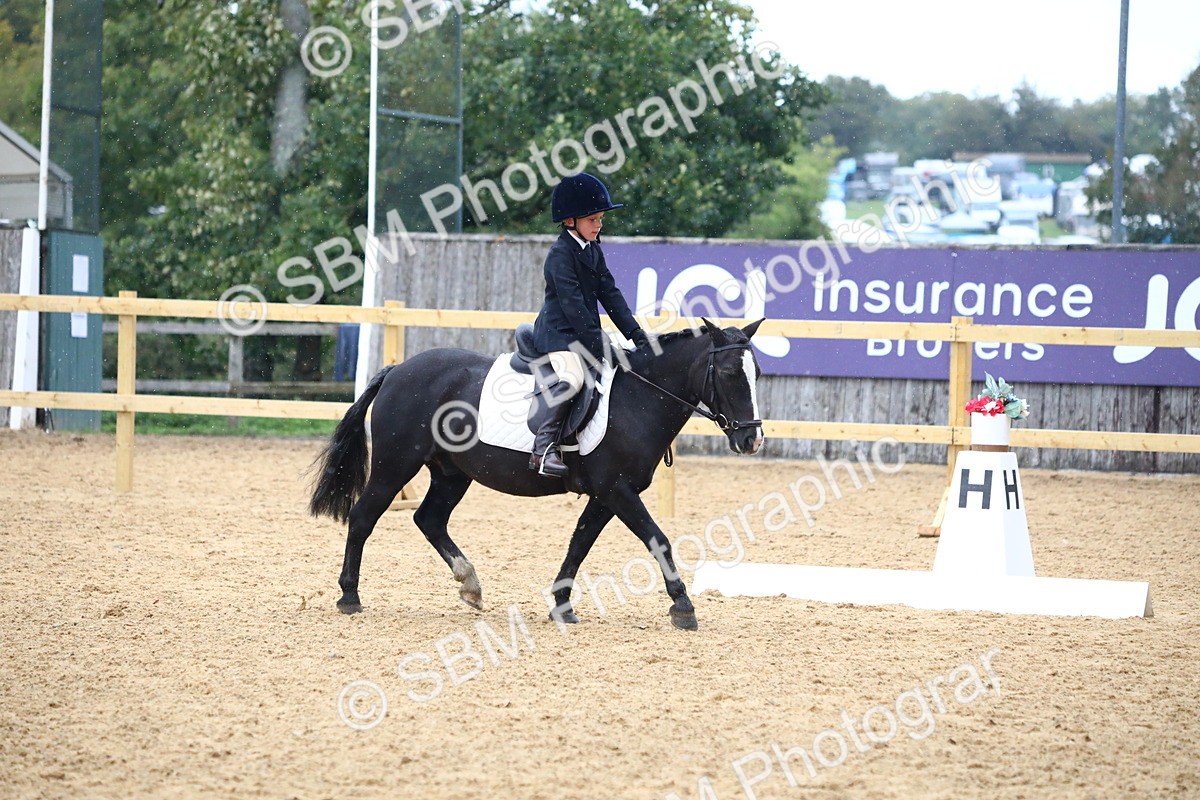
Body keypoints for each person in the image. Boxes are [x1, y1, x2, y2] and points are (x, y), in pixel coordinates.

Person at [529, 172, 651, 478]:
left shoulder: (593, 249)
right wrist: (600, 346)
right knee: (572, 379)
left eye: (600, 218)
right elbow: (574, 309)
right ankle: (543, 449)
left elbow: (610, 294)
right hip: (558, 337)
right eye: (593, 219)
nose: (599, 224)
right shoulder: (560, 255)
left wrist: (636, 336)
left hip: (583, 334)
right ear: (570, 221)